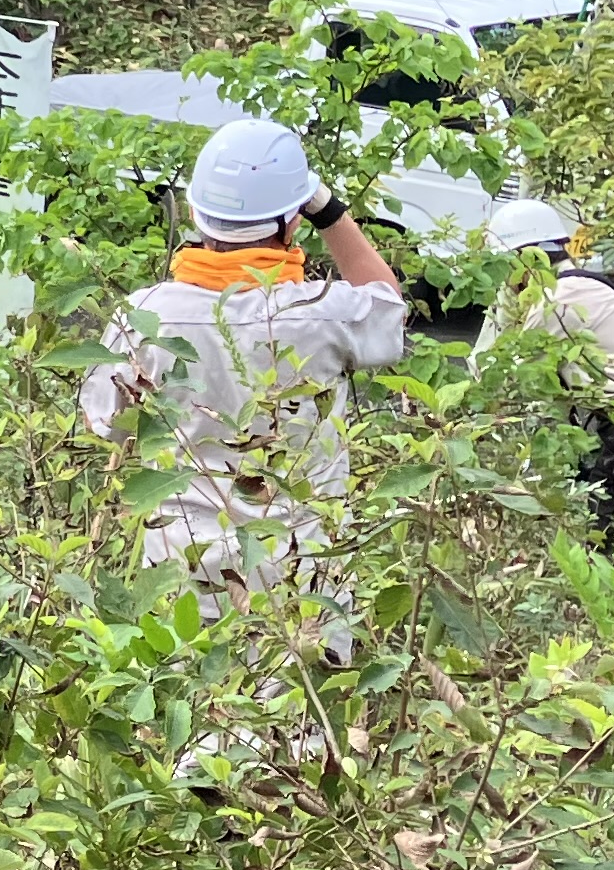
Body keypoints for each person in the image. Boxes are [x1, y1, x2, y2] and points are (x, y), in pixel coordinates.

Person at [80, 119, 410, 609]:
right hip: (300, 583)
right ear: (294, 220)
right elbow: (386, 299)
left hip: (180, 581)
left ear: (194, 211)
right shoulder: (324, 312)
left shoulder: (145, 315)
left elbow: (106, 424)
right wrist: (329, 210)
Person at [480, 195, 614, 522]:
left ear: (523, 260)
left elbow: (515, 384)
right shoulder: (579, 286)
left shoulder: (555, 300)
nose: (506, 282)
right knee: (602, 531)